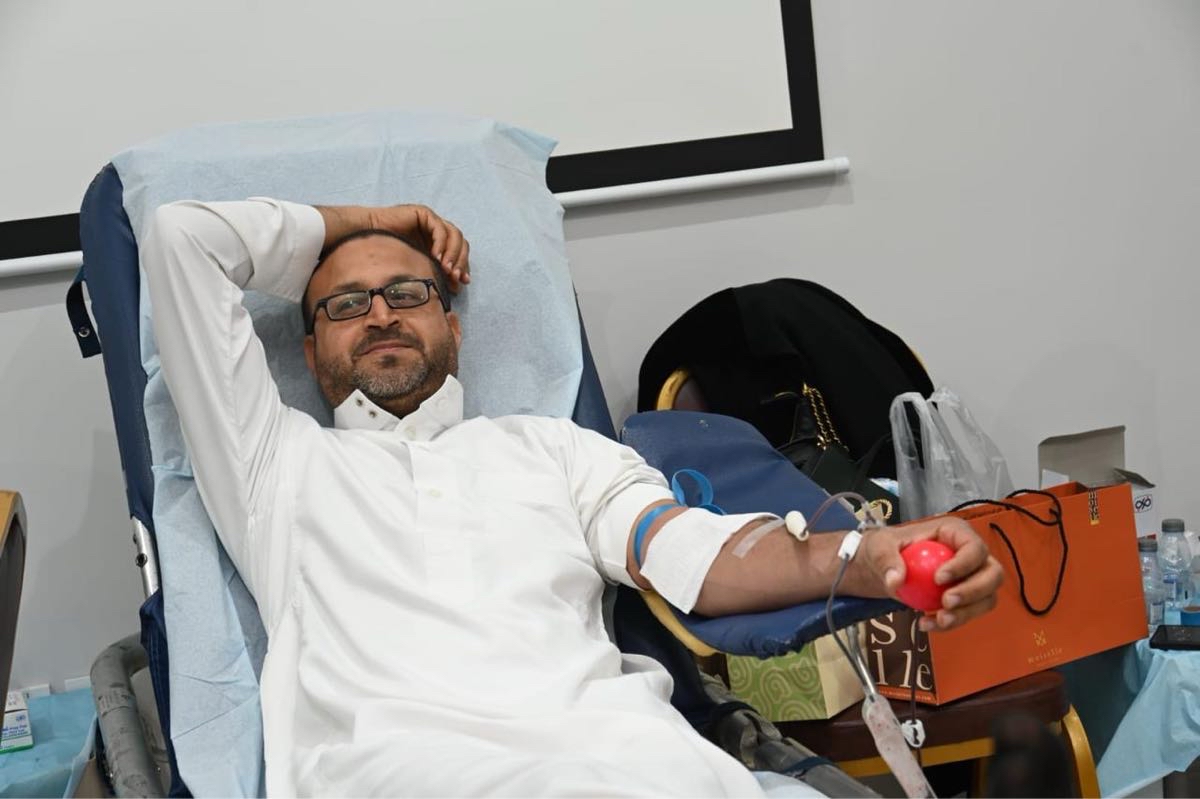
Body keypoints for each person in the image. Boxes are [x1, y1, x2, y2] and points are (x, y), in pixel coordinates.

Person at [143, 198, 1004, 797]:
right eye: (346, 303)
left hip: (630, 760)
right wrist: (372, 218)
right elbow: (182, 239)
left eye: (408, 292)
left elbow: (696, 556)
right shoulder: (274, 464)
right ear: (308, 347)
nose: (381, 314)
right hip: (402, 772)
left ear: (454, 324)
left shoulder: (552, 448)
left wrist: (867, 556)